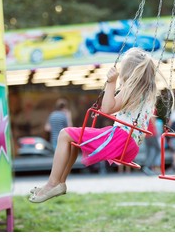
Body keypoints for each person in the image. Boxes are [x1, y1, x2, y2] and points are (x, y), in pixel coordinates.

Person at [28, 47, 167, 203]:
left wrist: (111, 82)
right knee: (72, 141)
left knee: (64, 134)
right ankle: (59, 183)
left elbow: (107, 109)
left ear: (129, 71)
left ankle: (52, 183)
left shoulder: (131, 90)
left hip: (120, 139)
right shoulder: (147, 93)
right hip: (130, 145)